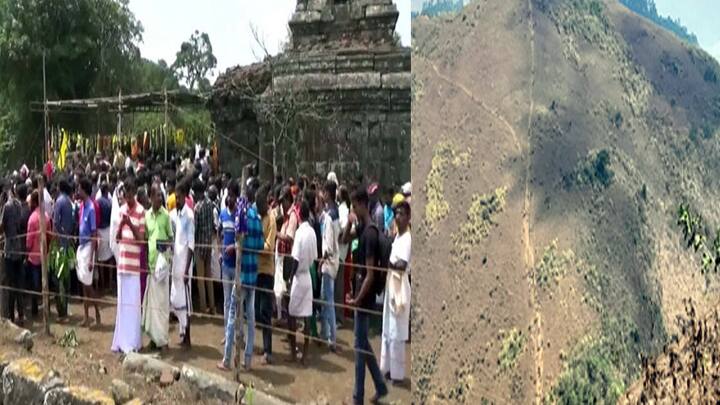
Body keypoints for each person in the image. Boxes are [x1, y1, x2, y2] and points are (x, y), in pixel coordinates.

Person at [343, 188, 388, 404]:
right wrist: (349, 223)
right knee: (362, 344)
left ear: (362, 204)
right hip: (361, 292)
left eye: (354, 206)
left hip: (365, 296)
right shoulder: (360, 228)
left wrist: (358, 300)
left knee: (359, 349)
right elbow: (344, 239)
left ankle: (357, 399)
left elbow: (370, 275)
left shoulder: (370, 233)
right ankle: (380, 385)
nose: (352, 209)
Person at [219, 177, 263, 371]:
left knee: (232, 316)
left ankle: (227, 359)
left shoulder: (241, 216)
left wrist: (237, 247)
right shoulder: (257, 218)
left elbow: (239, 243)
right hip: (254, 273)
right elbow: (261, 245)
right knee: (250, 317)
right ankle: (247, 360)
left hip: (241, 273)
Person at [111, 177, 145, 353]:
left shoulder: (140, 211)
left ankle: (133, 342)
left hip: (134, 266)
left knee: (133, 305)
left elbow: (141, 241)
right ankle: (122, 340)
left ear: (135, 194)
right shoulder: (122, 210)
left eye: (130, 195)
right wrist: (120, 226)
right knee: (122, 304)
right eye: (126, 196)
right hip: (122, 264)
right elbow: (117, 239)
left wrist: (130, 224)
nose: (128, 199)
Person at [380, 200, 411, 384]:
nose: (397, 217)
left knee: (398, 332)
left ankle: (398, 375)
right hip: (391, 284)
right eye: (396, 214)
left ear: (408, 217)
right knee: (388, 328)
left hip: (399, 286)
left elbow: (402, 264)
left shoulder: (407, 239)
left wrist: (388, 264)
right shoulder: (397, 237)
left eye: (401, 214)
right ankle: (388, 369)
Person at [142, 183, 173, 351]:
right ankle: (154, 339)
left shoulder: (166, 216)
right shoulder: (146, 216)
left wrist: (164, 246)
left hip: (162, 267)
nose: (160, 198)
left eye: (161, 195)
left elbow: (171, 238)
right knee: (152, 306)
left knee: (162, 305)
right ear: (150, 197)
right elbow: (146, 238)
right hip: (151, 265)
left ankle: (163, 341)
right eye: (157, 196)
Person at [288, 200, 317, 365]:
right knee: (306, 316)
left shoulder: (299, 232)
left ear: (299, 214)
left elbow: (295, 259)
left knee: (291, 315)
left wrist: (291, 277)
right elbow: (314, 257)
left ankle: (293, 353)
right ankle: (305, 355)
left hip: (299, 277)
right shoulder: (312, 232)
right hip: (308, 276)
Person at [170, 177, 194, 348]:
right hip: (176, 263)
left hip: (185, 264)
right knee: (176, 299)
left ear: (185, 196)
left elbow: (191, 245)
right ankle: (182, 331)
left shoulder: (189, 216)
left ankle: (188, 336)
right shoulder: (175, 215)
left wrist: (186, 270)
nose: (176, 200)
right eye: (175, 197)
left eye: (178, 197)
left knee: (186, 300)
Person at [76, 177, 101, 327]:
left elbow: (94, 234)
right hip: (81, 246)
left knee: (88, 284)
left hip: (88, 249)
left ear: (84, 190)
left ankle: (97, 312)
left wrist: (91, 258)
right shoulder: (82, 206)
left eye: (79, 188)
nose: (77, 191)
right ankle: (86, 316)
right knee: (83, 284)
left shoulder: (91, 208)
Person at [320, 180, 340, 351]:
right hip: (334, 261)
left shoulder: (328, 216)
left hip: (328, 262)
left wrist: (322, 259)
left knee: (329, 300)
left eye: (324, 192)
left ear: (328, 193)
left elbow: (327, 244)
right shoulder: (336, 213)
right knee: (326, 297)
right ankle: (324, 333)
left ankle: (332, 338)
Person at [0, 181, 25, 324]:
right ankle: (21, 314)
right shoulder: (18, 205)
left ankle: (11, 317)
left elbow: (2, 227)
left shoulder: (7, 207)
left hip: (9, 250)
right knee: (18, 284)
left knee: (10, 285)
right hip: (19, 249)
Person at [52, 176, 76, 321]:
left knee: (58, 279)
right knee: (66, 279)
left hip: (60, 245)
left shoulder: (59, 202)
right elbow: (73, 222)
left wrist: (59, 236)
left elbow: (55, 223)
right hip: (68, 243)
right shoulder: (69, 202)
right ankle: (65, 307)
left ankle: (61, 311)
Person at [26, 190, 51, 318]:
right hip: (44, 255)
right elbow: (49, 235)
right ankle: (46, 306)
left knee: (34, 285)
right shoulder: (45, 216)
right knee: (44, 282)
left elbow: (28, 242)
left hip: (33, 258)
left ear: (34, 202)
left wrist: (27, 252)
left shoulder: (32, 219)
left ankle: (35, 309)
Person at [193, 179, 216, 314]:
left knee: (201, 279)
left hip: (200, 245)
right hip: (208, 244)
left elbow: (195, 229)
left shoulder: (198, 207)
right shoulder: (210, 204)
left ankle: (203, 306)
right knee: (209, 277)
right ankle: (212, 305)